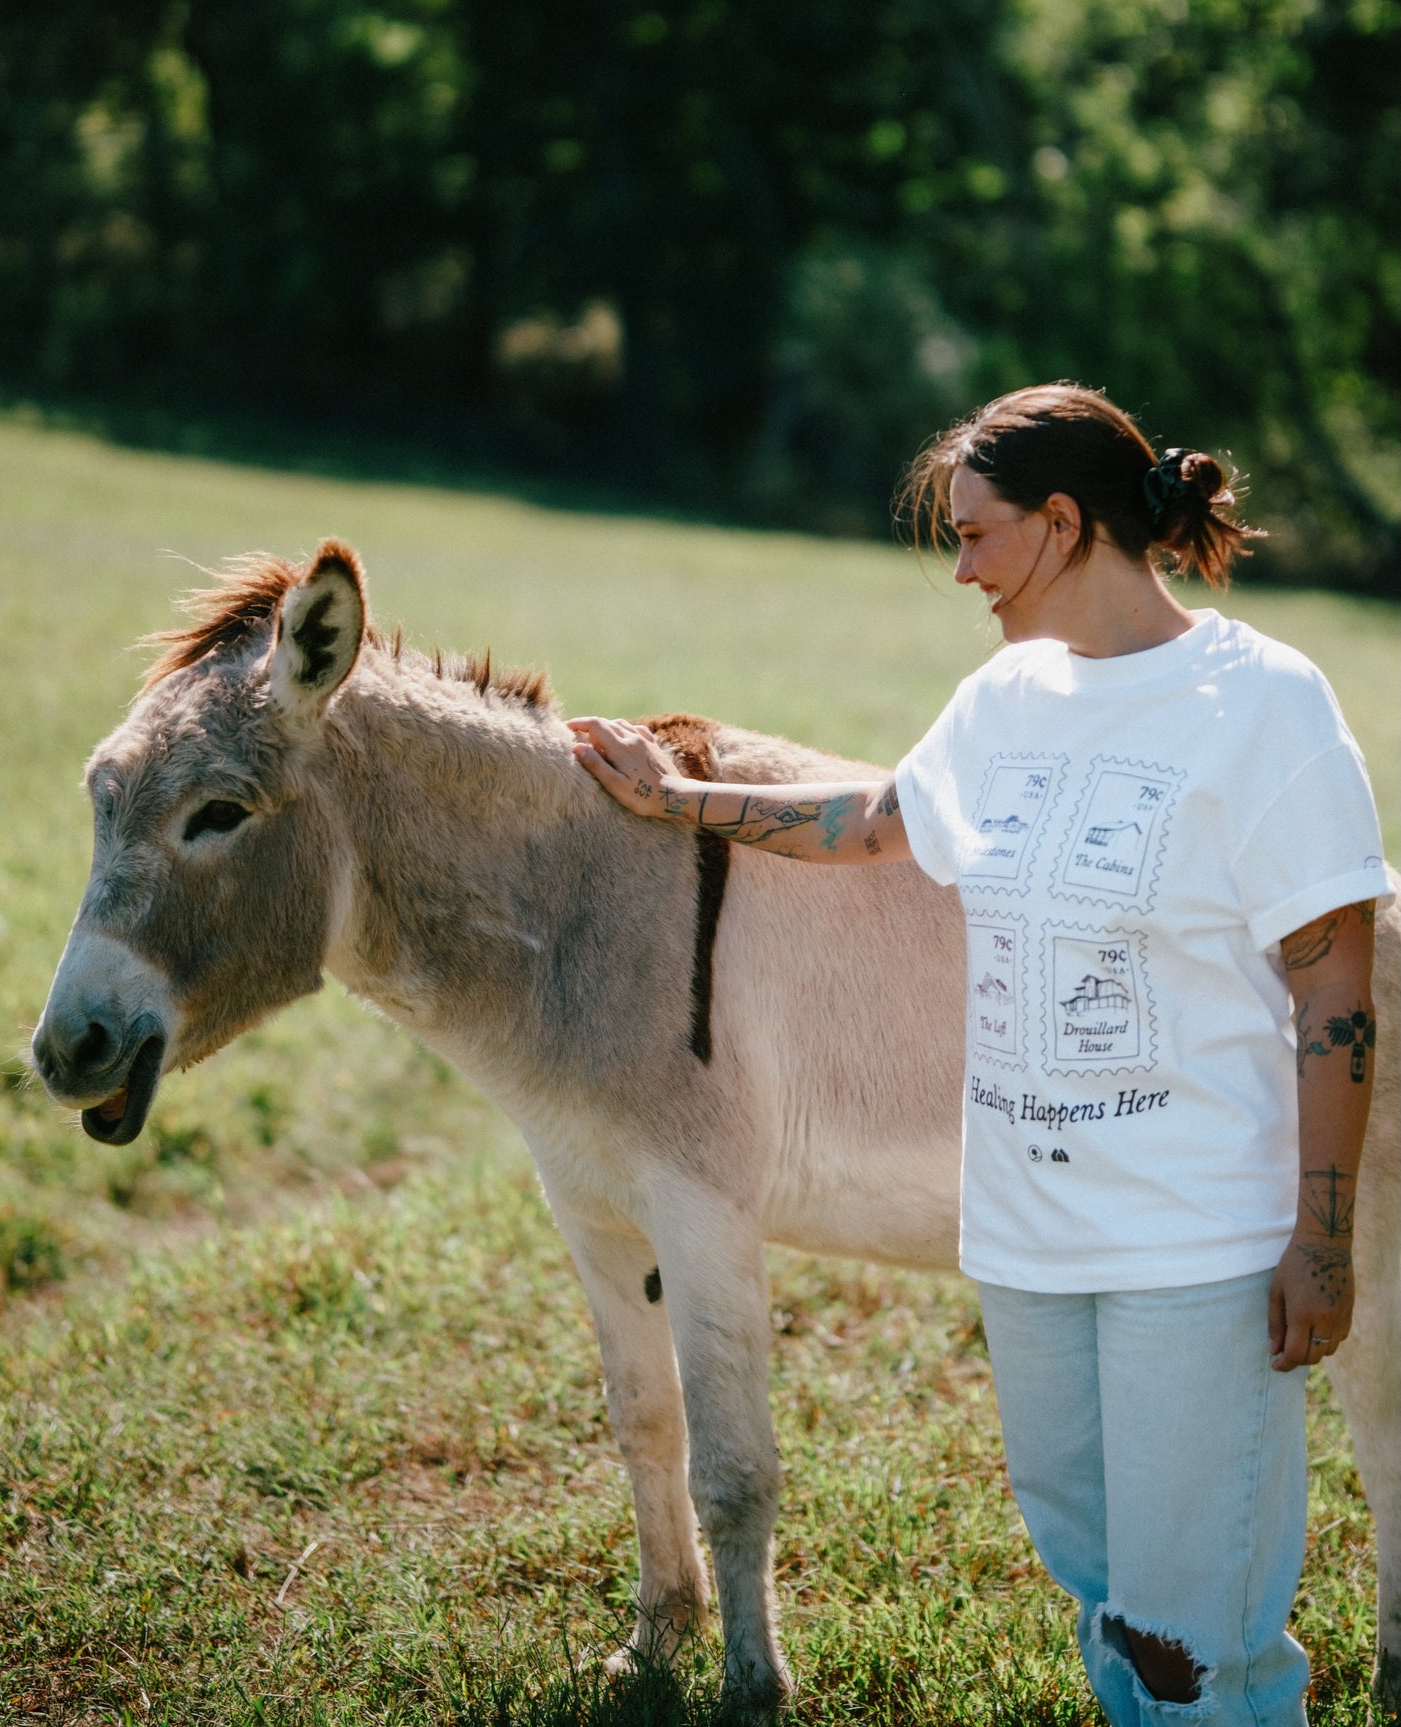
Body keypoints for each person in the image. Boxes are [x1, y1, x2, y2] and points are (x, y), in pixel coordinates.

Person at [569, 383, 1388, 1727]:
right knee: (1107, 1591)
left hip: (1192, 1245)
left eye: (973, 533)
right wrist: (683, 801)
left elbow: (1332, 979)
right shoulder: (1010, 694)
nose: (957, 568)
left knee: (1198, 1634)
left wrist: (1320, 1236)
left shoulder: (1258, 703)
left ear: (1061, 524)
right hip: (1023, 1238)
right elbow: (888, 816)